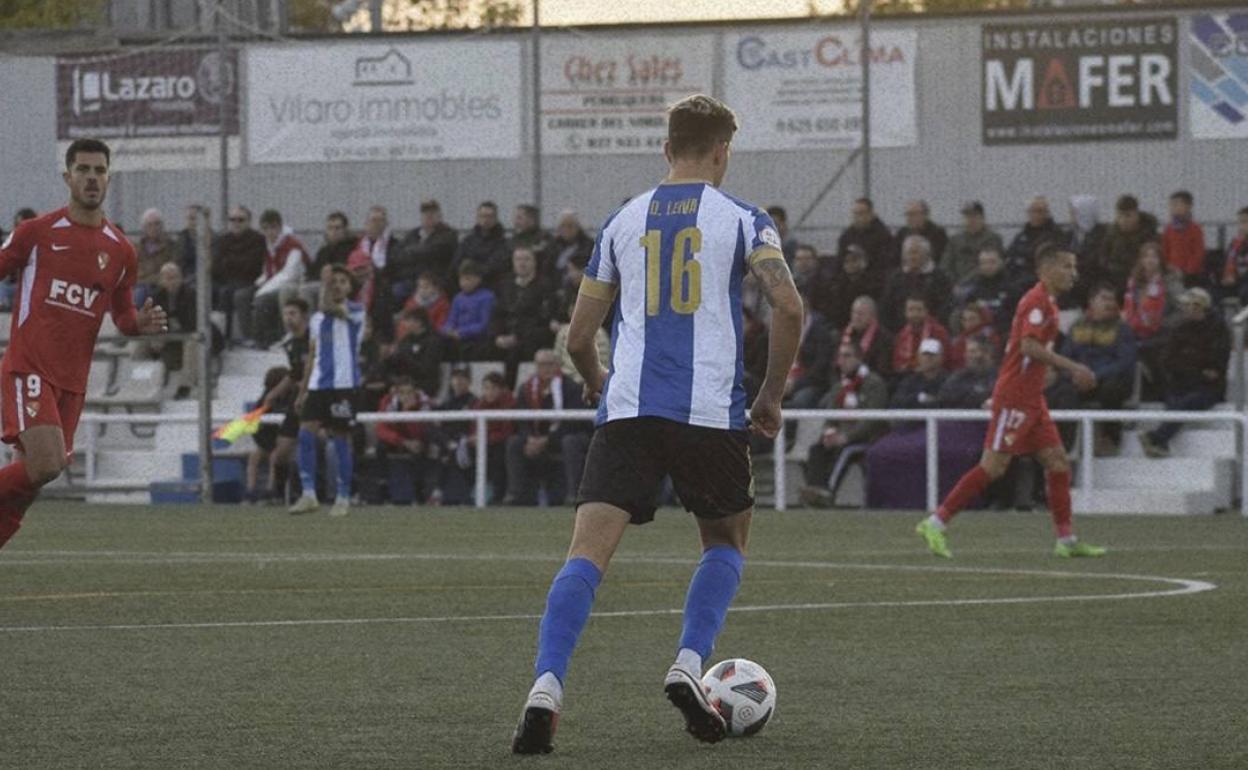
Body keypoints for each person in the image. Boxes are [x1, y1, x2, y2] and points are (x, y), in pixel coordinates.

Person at [511, 94, 803, 754]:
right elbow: (788, 306)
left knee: (586, 556)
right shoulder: (743, 219)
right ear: (722, 151)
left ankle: (546, 687)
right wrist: (771, 396)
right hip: (709, 413)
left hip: (628, 413)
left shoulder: (621, 221)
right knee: (725, 543)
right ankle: (689, 664)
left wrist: (598, 387)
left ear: (667, 149)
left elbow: (580, 334)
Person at [0, 138, 168, 550]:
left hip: (73, 382)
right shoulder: (36, 233)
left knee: (35, 479)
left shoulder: (121, 251)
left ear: (108, 178)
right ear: (67, 177)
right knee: (46, 464)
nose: (92, 178)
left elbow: (123, 317)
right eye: (83, 170)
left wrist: (139, 324)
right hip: (30, 366)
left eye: (99, 171)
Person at [915, 243, 1106, 560]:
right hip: (1015, 397)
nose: (1074, 273)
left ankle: (1067, 540)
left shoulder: (1048, 303)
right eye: (1067, 266)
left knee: (1057, 462)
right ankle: (935, 522)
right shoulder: (1036, 303)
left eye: (1074, 267)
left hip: (1031, 398)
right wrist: (1072, 367)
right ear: (1046, 269)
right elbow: (1028, 347)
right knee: (993, 466)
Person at [288, 265, 365, 517]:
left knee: (341, 440)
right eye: (334, 281)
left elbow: (330, 307)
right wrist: (302, 391)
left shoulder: (355, 311)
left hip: (343, 385)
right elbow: (312, 354)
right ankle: (309, 494)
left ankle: (343, 496)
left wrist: (325, 284)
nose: (337, 285)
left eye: (343, 281)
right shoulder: (318, 319)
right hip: (318, 385)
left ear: (350, 287)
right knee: (305, 436)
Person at [1139, 288, 1230, 458]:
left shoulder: (1218, 330)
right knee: (1173, 400)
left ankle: (1156, 438)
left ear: (1198, 307)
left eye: (1187, 305)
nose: (1184, 309)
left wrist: (1189, 364)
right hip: (1183, 382)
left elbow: (1215, 367)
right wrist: (1195, 367)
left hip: (1209, 388)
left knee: (1185, 402)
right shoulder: (1180, 328)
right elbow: (1168, 361)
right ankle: (1160, 443)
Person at [799, 340, 888, 508]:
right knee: (817, 448)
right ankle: (814, 492)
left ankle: (827, 493)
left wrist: (846, 437)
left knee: (845, 451)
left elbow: (871, 420)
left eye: (847, 356)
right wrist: (829, 433)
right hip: (841, 436)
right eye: (840, 356)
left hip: (866, 438)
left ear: (859, 358)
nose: (842, 361)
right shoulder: (840, 386)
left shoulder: (874, 384)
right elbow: (831, 415)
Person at [503, 349, 589, 506]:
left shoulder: (571, 388)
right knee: (514, 443)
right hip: (535, 438)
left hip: (562, 437)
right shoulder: (526, 389)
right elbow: (521, 420)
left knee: (571, 442)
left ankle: (573, 495)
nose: (546, 368)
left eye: (550, 364)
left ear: (558, 365)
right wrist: (529, 438)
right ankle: (516, 495)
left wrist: (547, 440)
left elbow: (575, 422)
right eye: (542, 365)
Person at [1061, 286, 1137, 454]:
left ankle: (1111, 439)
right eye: (1104, 298)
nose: (1109, 303)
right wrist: (1073, 375)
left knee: (1112, 388)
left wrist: (1095, 375)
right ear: (1091, 302)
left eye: (1112, 299)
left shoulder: (1122, 328)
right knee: (1062, 390)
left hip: (1109, 379)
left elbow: (1125, 362)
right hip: (1080, 379)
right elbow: (1065, 357)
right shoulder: (1077, 326)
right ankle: (1065, 446)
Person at [261, 298, 311, 504]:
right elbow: (294, 374)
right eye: (286, 314)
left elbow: (313, 370)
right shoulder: (292, 344)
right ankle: (280, 495)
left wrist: (304, 391)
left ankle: (308, 493)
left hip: (316, 399)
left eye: (293, 313)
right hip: (299, 400)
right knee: (281, 451)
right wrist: (273, 393)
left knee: (310, 446)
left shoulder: (315, 340)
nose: (289, 318)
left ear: (304, 316)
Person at [493, 246, 555, 385]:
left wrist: (517, 337)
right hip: (507, 335)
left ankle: (510, 392)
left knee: (515, 352)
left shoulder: (544, 286)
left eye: (526, 259)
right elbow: (498, 314)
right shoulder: (505, 286)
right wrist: (498, 336)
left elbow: (543, 318)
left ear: (534, 262)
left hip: (532, 336)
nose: (522, 263)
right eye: (518, 259)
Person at [374, 377, 440, 504]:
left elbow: (424, 431)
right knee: (380, 447)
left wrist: (410, 410)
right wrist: (402, 441)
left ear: (415, 392)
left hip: (416, 439)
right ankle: (383, 490)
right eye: (402, 392)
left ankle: (419, 494)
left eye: (409, 392)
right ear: (396, 393)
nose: (406, 396)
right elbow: (381, 429)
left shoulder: (424, 403)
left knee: (421, 446)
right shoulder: (388, 402)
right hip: (397, 440)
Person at [249, 209, 308, 348]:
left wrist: (263, 290)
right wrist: (258, 284)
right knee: (244, 294)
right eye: (265, 229)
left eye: (273, 228)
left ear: (280, 227)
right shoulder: (270, 245)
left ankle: (266, 339)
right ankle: (253, 337)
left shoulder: (293, 246)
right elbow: (269, 271)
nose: (269, 232)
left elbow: (289, 274)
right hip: (278, 282)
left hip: (296, 283)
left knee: (263, 299)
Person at [141, 261, 201, 397]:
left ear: (181, 278)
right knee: (140, 342)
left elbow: (193, 326)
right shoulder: (156, 296)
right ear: (161, 280)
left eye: (175, 277)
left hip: (193, 342)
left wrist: (165, 336)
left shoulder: (191, 295)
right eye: (167, 278)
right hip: (171, 343)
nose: (172, 281)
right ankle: (138, 382)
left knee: (193, 341)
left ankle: (185, 386)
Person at [211, 205, 265, 342]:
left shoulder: (257, 239)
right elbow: (216, 266)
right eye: (232, 219)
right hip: (224, 280)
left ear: (249, 221)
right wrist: (235, 262)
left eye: (240, 220)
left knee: (227, 293)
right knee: (204, 291)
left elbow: (251, 266)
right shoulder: (222, 239)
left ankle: (226, 337)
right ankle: (213, 335)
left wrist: (228, 262)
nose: (236, 223)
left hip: (248, 281)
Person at [880, 235, 952, 331]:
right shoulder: (896, 277)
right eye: (908, 253)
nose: (911, 257)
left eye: (915, 253)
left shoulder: (940, 278)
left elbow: (945, 309)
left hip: (931, 331)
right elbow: (886, 307)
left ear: (927, 254)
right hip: (898, 331)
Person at [392, 199, 458, 298]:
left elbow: (432, 251)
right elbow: (396, 253)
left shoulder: (448, 234)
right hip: (411, 279)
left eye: (432, 212)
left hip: (435, 281)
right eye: (425, 213)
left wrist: (410, 251)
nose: (429, 215)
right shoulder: (413, 234)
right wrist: (415, 252)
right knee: (394, 290)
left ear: (439, 215)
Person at [246, 366, 292, 505]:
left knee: (274, 456)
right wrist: (265, 444)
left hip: (287, 440)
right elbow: (258, 425)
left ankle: (271, 490)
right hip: (268, 440)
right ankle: (250, 491)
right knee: (255, 457)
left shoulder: (291, 398)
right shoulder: (265, 399)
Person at [1098, 194, 1159, 294]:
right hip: (1113, 278)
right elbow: (1103, 255)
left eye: (1128, 215)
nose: (1123, 220)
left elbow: (1152, 260)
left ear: (1136, 214)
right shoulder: (1112, 232)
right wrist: (1109, 267)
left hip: (1139, 279)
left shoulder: (1149, 233)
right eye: (1120, 215)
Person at [813, 243, 882, 329]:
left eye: (854, 260)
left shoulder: (874, 283)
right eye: (846, 261)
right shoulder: (837, 284)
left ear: (864, 262)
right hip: (840, 327)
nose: (850, 264)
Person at [954, 246, 1016, 337]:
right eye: (983, 263)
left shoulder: (1012, 288)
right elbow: (963, 315)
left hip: (1003, 335)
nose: (987, 266)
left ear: (1002, 262)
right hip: (976, 336)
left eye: (992, 262)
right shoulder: (973, 289)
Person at [1003, 196, 1064, 288]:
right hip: (1015, 278)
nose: (1036, 215)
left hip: (1038, 281)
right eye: (1033, 211)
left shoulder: (1056, 235)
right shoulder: (1021, 236)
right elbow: (1009, 256)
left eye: (1040, 211)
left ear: (1047, 213)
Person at [442, 260, 496, 360]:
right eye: (461, 279)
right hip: (456, 339)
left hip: (476, 340)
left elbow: (484, 324)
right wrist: (447, 329)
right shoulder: (458, 298)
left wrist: (462, 332)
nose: (463, 283)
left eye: (468, 279)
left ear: (478, 279)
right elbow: (451, 319)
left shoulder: (487, 297)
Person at [942, 201, 1003, 284]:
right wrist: (952, 282)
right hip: (955, 284)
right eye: (967, 217)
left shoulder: (992, 238)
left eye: (974, 216)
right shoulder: (955, 239)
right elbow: (946, 264)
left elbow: (989, 265)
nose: (970, 220)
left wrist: (966, 282)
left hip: (981, 283)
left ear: (982, 218)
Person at [302, 211, 354, 309]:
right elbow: (311, 271)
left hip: (334, 284)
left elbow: (342, 270)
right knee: (288, 289)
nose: (333, 232)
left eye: (337, 228)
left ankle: (310, 323)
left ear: (345, 230)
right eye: (330, 228)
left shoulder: (350, 248)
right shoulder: (323, 250)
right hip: (317, 282)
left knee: (307, 290)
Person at [453, 201, 509, 288]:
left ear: (496, 219)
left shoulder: (502, 243)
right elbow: (456, 263)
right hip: (466, 288)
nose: (486, 220)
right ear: (477, 218)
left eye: (490, 216)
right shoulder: (468, 241)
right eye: (482, 216)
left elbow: (494, 266)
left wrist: (474, 276)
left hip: (491, 288)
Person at [892, 296, 952, 376]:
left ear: (926, 311)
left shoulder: (938, 332)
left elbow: (945, 359)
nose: (915, 314)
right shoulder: (902, 334)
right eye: (911, 310)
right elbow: (897, 362)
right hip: (906, 376)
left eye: (919, 310)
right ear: (905, 312)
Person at [840, 295, 893, 380]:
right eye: (854, 313)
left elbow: (882, 371)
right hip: (842, 382)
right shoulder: (844, 334)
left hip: (869, 384)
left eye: (861, 314)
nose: (856, 317)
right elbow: (834, 365)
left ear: (872, 316)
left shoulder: (884, 339)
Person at [838, 197, 893, 278]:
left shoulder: (883, 236)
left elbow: (884, 265)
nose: (857, 217)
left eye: (861, 213)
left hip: (873, 281)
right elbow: (839, 262)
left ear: (870, 214)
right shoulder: (847, 236)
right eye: (855, 213)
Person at [135, 208, 181, 306]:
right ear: (144, 228)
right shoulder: (137, 248)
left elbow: (172, 269)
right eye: (150, 225)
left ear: (162, 226)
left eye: (157, 224)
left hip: (164, 285)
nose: (154, 227)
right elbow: (136, 271)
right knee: (139, 293)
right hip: (143, 285)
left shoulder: (171, 246)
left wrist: (159, 279)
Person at [1161, 190, 1206, 288]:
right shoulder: (1168, 229)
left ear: (1188, 206)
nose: (1173, 208)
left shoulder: (1195, 229)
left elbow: (1198, 253)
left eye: (1177, 204)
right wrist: (1167, 266)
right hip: (1171, 272)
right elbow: (1164, 250)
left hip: (1190, 275)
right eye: (1171, 205)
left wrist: (1187, 271)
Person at [891, 338, 948, 409]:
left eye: (933, 354)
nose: (928, 358)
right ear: (918, 357)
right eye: (925, 354)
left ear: (941, 357)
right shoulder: (909, 382)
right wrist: (920, 398)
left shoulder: (949, 381)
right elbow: (896, 403)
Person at [893, 200, 948, 273]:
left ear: (925, 215)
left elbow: (939, 259)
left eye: (913, 214)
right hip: (904, 275)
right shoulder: (902, 233)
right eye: (907, 214)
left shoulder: (937, 233)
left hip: (929, 274)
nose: (909, 218)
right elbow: (894, 257)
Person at [1218, 206, 1248, 306]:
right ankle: (1218, 321)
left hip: (1244, 284)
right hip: (1234, 283)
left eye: (1245, 222)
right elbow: (1227, 263)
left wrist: (1236, 279)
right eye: (1240, 222)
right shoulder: (1235, 244)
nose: (1241, 226)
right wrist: (1227, 276)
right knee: (1211, 294)